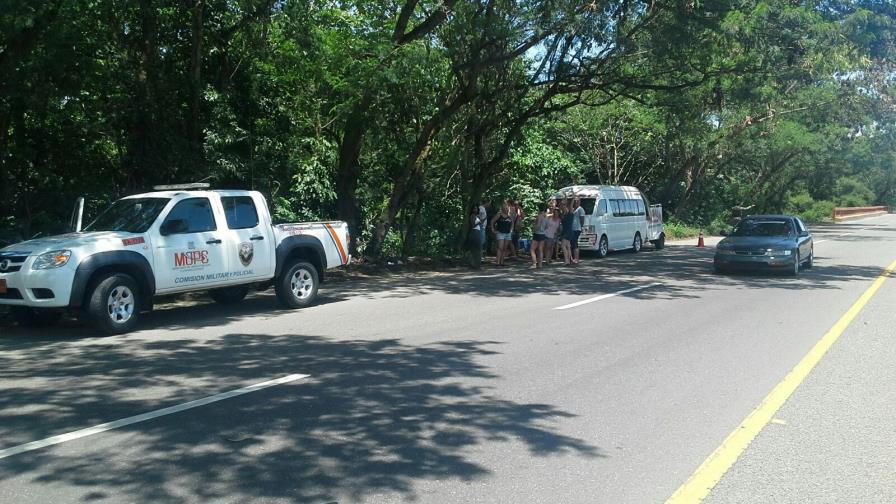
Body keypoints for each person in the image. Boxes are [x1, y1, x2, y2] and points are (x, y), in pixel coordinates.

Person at [491, 201, 515, 266]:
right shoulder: (499, 214)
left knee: (505, 248)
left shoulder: (509, 216)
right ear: (502, 208)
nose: (506, 208)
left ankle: (502, 262)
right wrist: (493, 229)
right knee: (500, 247)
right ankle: (497, 262)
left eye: (507, 207)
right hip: (500, 232)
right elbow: (492, 221)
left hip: (508, 233)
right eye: (505, 207)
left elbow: (512, 223)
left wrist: (511, 230)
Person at [530, 203, 548, 268]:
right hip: (543, 234)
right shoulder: (546, 216)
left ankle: (534, 263)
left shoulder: (539, 216)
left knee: (532, 249)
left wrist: (534, 228)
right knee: (540, 249)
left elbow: (538, 225)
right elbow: (547, 226)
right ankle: (540, 264)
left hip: (537, 233)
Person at [571, 196, 585, 264]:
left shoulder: (580, 209)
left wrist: (581, 226)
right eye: (575, 200)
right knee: (572, 243)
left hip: (577, 228)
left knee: (574, 242)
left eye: (577, 200)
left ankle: (576, 258)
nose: (576, 201)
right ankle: (573, 258)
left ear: (580, 201)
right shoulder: (573, 209)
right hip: (572, 229)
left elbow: (582, 220)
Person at [560, 201, 574, 266]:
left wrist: (573, 198)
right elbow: (563, 205)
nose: (564, 208)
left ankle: (566, 261)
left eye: (565, 208)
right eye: (563, 208)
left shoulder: (570, 214)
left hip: (568, 232)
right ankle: (569, 260)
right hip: (565, 232)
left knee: (563, 246)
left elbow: (571, 205)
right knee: (568, 246)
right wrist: (565, 198)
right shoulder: (563, 215)